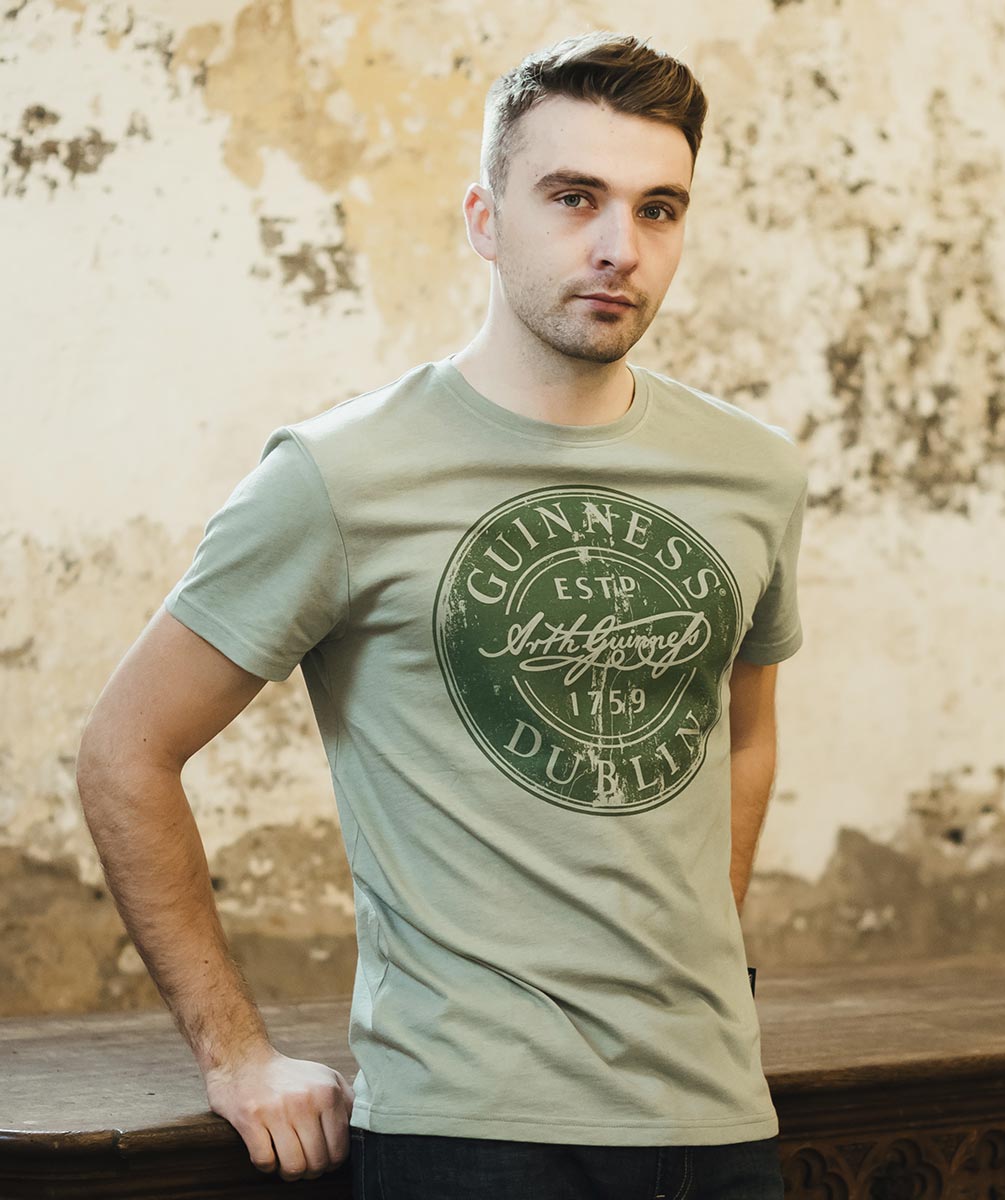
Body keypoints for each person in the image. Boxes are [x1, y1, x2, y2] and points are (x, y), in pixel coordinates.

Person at [76, 29, 808, 1200]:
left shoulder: (754, 473)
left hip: (718, 1114)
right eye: (574, 198)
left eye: (659, 208)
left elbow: (745, 727)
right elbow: (126, 751)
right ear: (484, 219)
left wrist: (694, 954)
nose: (620, 247)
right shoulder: (339, 474)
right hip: (469, 1130)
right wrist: (237, 1054)